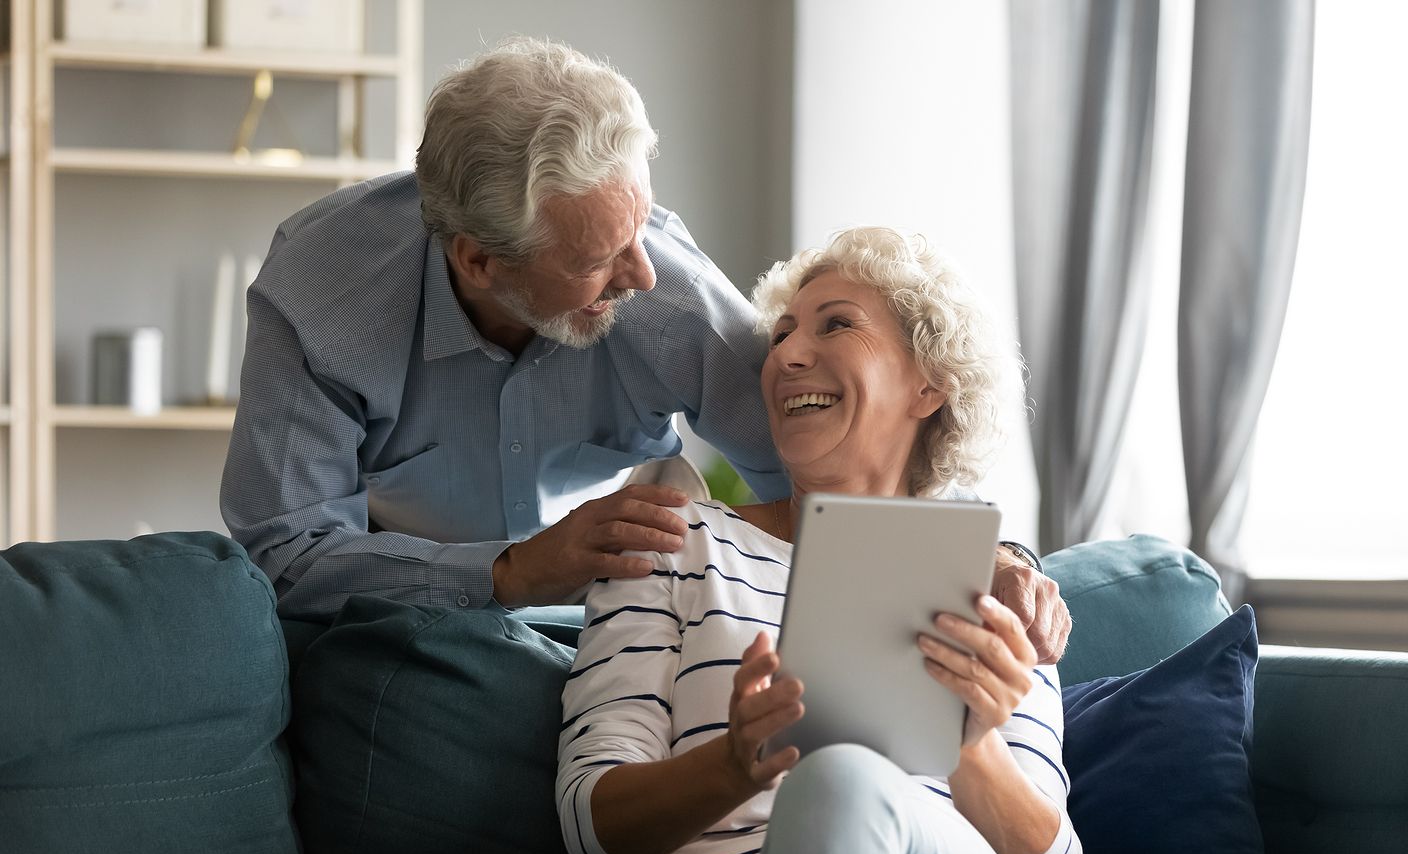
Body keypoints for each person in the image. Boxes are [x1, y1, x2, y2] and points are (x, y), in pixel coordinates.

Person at [219, 37, 1066, 664]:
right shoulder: (322, 298)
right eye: (597, 259)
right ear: (479, 259)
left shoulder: (660, 286)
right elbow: (286, 558)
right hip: (403, 640)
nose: (643, 271)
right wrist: (511, 572)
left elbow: (845, 455)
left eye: (640, 226)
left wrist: (987, 552)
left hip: (625, 636)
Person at [558, 227, 1081, 854]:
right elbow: (590, 827)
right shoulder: (674, 537)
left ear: (928, 385)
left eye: (835, 325)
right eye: (781, 335)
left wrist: (972, 746)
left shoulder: (989, 577)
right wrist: (733, 765)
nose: (790, 354)